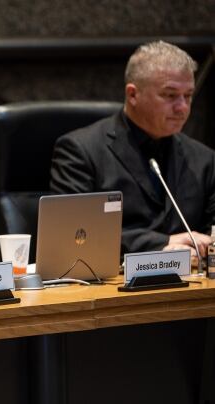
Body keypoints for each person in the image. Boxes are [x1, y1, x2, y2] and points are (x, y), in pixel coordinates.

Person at [50, 41, 215, 261]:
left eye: (188, 95)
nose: (183, 107)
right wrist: (162, 244)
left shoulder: (203, 158)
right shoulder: (81, 151)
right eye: (170, 95)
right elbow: (72, 233)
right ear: (133, 94)